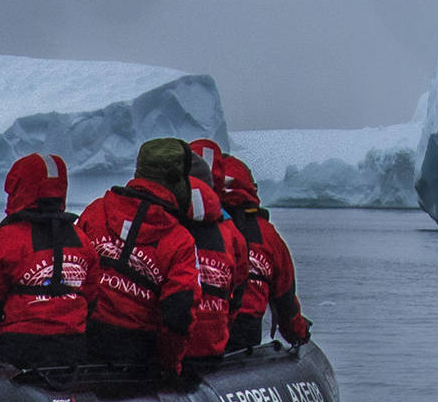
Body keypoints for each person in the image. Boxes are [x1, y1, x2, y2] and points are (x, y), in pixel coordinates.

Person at [75, 138, 199, 378]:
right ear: (179, 182)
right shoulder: (180, 240)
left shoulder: (96, 211)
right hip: (136, 357)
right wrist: (169, 366)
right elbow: (180, 312)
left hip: (82, 345)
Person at [0, 153, 92, 368]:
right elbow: (92, 297)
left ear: (19, 187)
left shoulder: (3, 241)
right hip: (72, 346)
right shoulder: (83, 241)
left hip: (19, 347)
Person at [213, 153, 308, 350]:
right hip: (243, 337)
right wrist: (298, 333)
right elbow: (285, 299)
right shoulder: (266, 235)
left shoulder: (188, 228)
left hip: (193, 333)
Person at [178, 176, 242, 363]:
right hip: (213, 347)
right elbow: (239, 286)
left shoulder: (169, 234)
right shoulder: (229, 234)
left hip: (170, 352)